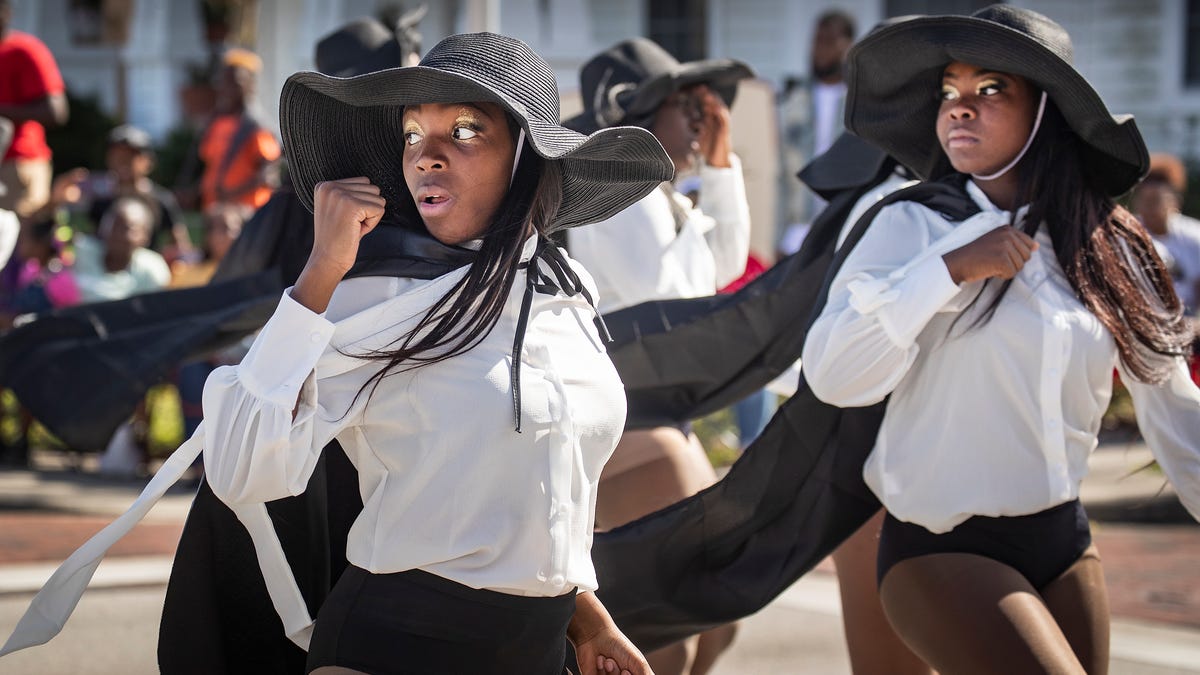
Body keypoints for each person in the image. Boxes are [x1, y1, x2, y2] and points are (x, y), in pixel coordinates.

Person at [804, 6, 1200, 673]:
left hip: (1064, 541)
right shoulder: (909, 227)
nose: (960, 108)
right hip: (939, 546)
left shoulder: (1110, 246)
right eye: (949, 93)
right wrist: (947, 270)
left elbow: (1173, 404)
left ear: (1047, 110)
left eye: (989, 91)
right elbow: (834, 374)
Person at [564, 37, 752, 675]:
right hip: (619, 421)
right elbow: (670, 299)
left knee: (715, 618)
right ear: (635, 116)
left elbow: (722, 268)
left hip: (658, 415)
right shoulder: (613, 189)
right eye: (682, 104)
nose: (699, 118)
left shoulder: (660, 196)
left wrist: (721, 165)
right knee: (670, 630)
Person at [777, 8, 855, 258]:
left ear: (848, 45)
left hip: (842, 225)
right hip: (797, 227)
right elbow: (778, 171)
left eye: (829, 41)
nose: (820, 49)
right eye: (817, 41)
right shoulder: (792, 99)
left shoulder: (859, 101)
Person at [53, 125, 192, 260]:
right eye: (116, 155)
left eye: (130, 156)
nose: (122, 161)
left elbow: (181, 245)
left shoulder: (161, 199)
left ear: (147, 161)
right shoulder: (101, 199)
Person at [0, 0, 67, 218]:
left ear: (6, 13)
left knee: (19, 244)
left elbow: (56, 111)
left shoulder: (25, 50)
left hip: (18, 165)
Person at [196, 48, 280, 211]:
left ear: (250, 86)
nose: (228, 88)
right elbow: (211, 165)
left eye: (235, 82)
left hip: (247, 212)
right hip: (216, 212)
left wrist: (232, 193)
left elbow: (269, 175)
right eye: (224, 81)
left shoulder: (256, 126)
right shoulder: (217, 123)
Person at [1130, 153, 1200, 314]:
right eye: (1145, 200)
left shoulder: (1194, 234)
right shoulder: (1125, 234)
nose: (1151, 208)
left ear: (1175, 201)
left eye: (1155, 200)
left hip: (1186, 317)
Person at [72, 196, 170, 303]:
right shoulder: (79, 253)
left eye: (127, 228)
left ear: (145, 236)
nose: (115, 233)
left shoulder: (151, 269)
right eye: (111, 224)